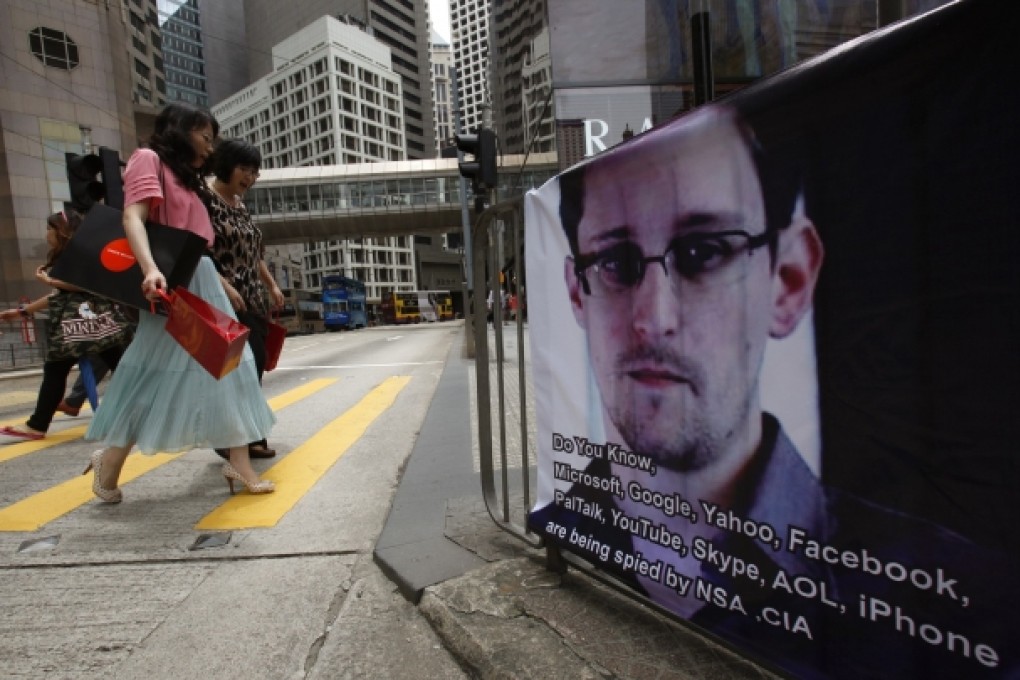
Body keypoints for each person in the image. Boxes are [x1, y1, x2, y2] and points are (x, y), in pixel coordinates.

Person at [527, 104, 1016, 677]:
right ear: (577, 294)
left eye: (703, 252)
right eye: (615, 261)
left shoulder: (965, 612)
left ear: (788, 282)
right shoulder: (564, 523)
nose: (653, 318)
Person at [83, 102, 276, 502]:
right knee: (155, 374)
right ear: (180, 129)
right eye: (205, 137)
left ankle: (238, 463)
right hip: (170, 284)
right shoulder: (147, 159)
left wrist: (218, 282)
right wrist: (151, 270)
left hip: (199, 277)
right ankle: (111, 460)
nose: (210, 147)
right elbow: (133, 218)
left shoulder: (188, 179)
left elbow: (196, 242)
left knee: (230, 366)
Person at [0, 211, 130, 442]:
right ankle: (146, 415)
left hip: (78, 325)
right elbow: (58, 295)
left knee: (56, 370)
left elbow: (81, 285)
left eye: (50, 228)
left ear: (62, 231)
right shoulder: (74, 253)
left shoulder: (79, 253)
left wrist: (48, 280)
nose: (46, 233)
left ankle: (38, 425)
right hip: (96, 324)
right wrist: (22, 312)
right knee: (122, 368)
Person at [202, 138, 284, 459]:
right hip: (222, 299)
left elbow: (253, 253)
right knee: (239, 366)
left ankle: (245, 432)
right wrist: (225, 286)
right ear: (226, 166)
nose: (249, 178)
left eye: (254, 172)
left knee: (257, 361)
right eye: (244, 170)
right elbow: (199, 254)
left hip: (252, 297)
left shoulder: (240, 205)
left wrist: (272, 285)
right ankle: (234, 437)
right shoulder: (205, 202)